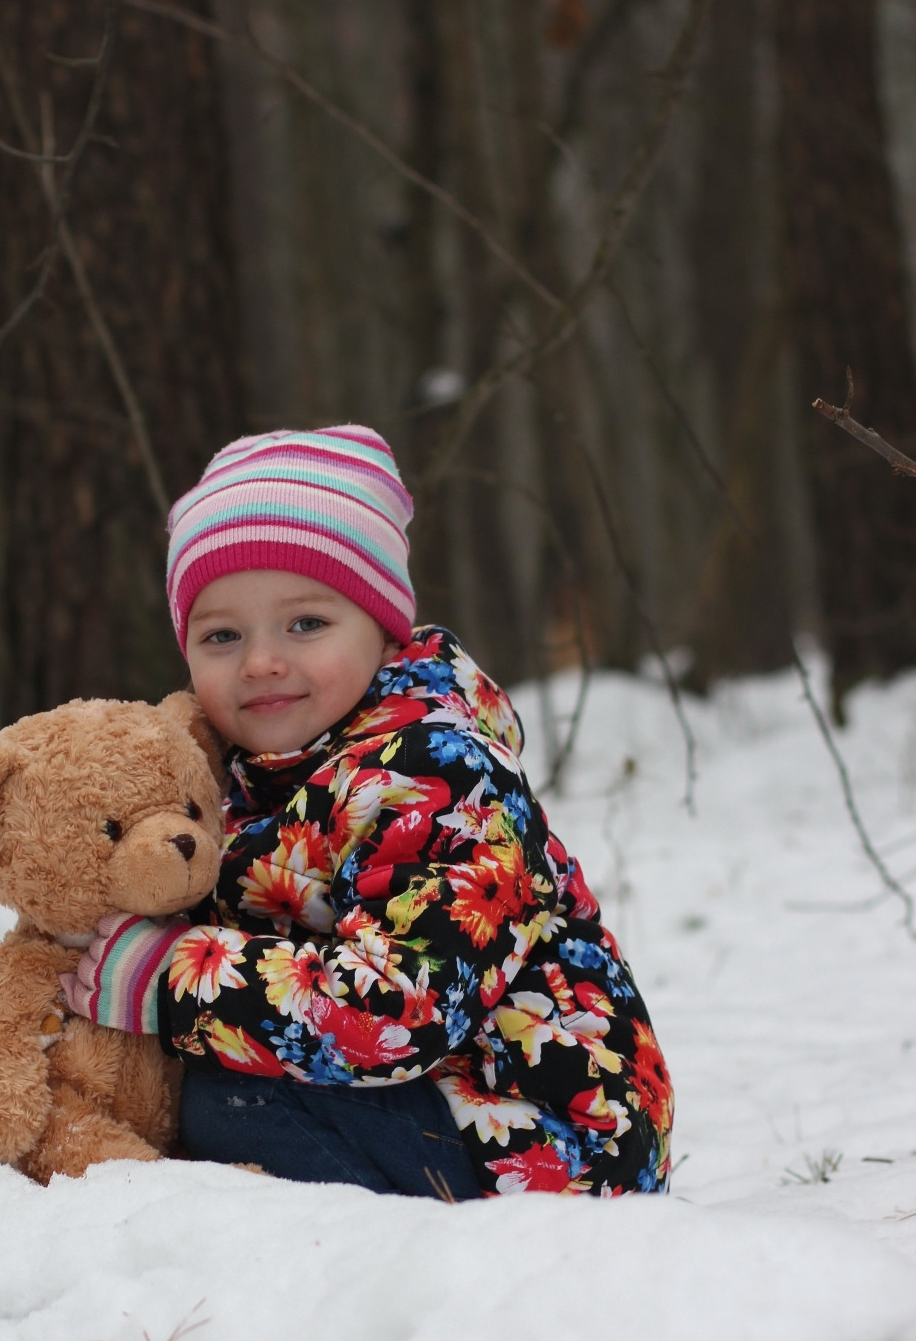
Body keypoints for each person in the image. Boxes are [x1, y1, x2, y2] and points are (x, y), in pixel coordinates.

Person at [62, 424, 673, 1199]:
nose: (260, 661)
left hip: (550, 1138)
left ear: (384, 632)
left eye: (306, 624)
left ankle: (354, 1270)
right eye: (222, 635)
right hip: (417, 1102)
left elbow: (400, 1009)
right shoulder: (243, 780)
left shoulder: (437, 773)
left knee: (229, 1100)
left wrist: (172, 981)